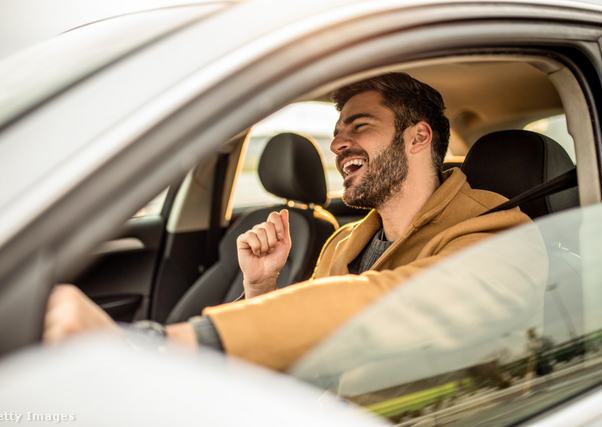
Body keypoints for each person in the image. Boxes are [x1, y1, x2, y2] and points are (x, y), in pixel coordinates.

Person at [44, 73, 530, 370]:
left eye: (360, 125)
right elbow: (309, 345)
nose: (337, 143)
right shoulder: (344, 242)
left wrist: (164, 345)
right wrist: (262, 286)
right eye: (337, 131)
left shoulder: (499, 232)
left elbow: (382, 310)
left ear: (418, 138)